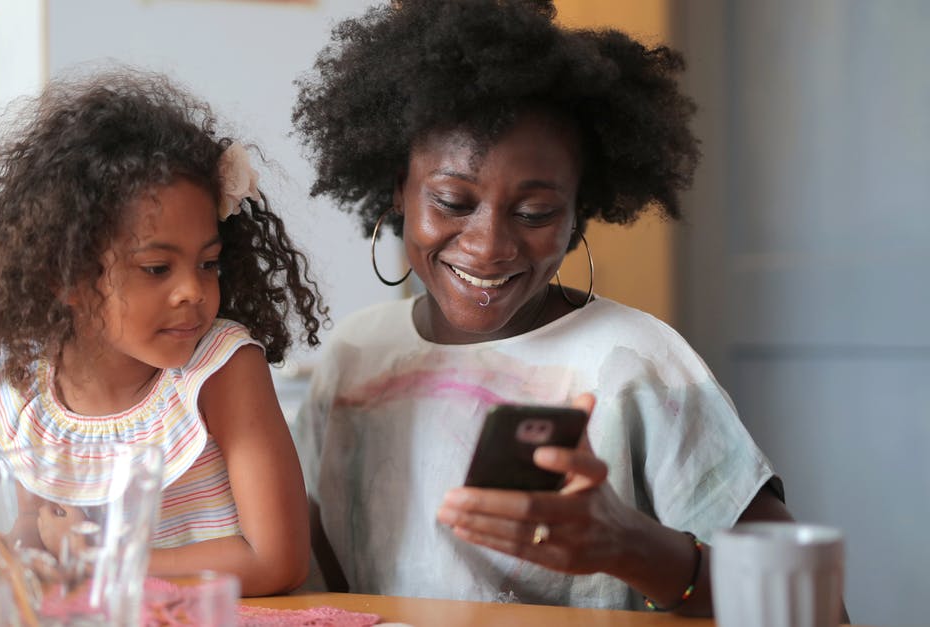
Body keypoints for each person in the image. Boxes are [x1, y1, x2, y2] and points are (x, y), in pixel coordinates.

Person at [290, 0, 810, 616]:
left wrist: (631, 546)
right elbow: (315, 570)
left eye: (535, 214)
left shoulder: (634, 363)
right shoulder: (355, 354)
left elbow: (808, 602)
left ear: (577, 213)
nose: (489, 247)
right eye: (453, 202)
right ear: (395, 189)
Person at [0, 68, 326, 597]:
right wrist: (0, 562)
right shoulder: (29, 386)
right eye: (158, 269)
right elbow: (37, 531)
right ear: (64, 276)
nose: (193, 292)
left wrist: (98, 565)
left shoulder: (220, 369)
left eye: (208, 264)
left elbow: (275, 561)